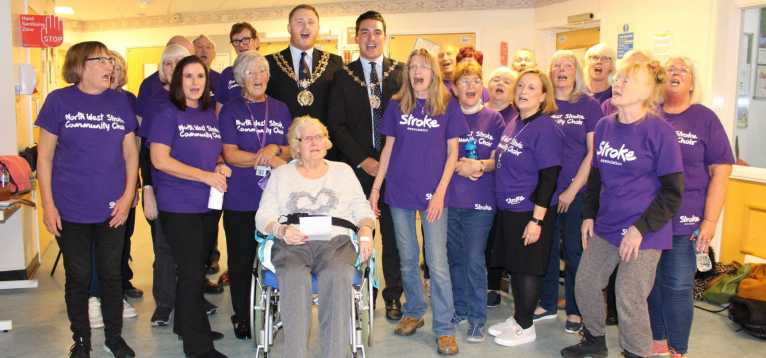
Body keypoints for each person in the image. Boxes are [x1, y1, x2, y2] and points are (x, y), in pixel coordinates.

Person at [561, 56, 684, 358]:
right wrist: (589, 215)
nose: (618, 83)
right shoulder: (604, 126)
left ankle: (636, 353)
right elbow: (597, 176)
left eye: (628, 80)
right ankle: (594, 339)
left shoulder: (660, 132)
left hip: (646, 229)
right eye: (619, 78)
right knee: (586, 282)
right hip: (608, 224)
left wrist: (639, 230)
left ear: (646, 92)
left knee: (628, 295)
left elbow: (672, 192)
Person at [36, 41, 138, 358]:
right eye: (101, 60)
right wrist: (48, 205)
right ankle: (81, 340)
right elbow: (45, 158)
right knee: (78, 277)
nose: (109, 65)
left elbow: (131, 153)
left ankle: (113, 337)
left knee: (111, 275)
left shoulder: (120, 102)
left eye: (110, 59)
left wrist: (127, 195)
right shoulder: (59, 101)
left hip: (112, 208)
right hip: (70, 208)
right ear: (81, 65)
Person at [369, 48, 468, 355]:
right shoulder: (398, 105)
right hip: (399, 191)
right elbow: (387, 150)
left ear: (434, 71)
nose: (417, 72)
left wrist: (440, 193)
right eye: (412, 67)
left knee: (437, 264)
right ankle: (414, 311)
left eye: (423, 66)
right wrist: (375, 190)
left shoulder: (447, 105)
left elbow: (453, 154)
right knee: (407, 257)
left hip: (434, 195)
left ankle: (445, 329)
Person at [255, 116, 375, 358]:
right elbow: (263, 216)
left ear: (327, 141)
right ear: (296, 145)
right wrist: (281, 230)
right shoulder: (281, 175)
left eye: (319, 136)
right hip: (293, 242)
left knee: (337, 273)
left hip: (336, 241)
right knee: (294, 275)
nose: (314, 142)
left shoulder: (343, 171)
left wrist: (365, 231)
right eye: (307, 138)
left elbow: (362, 210)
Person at [647, 56, 734, 358]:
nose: (676, 73)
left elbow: (721, 172)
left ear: (692, 83)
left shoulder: (704, 118)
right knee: (650, 282)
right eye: (670, 69)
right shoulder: (649, 114)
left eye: (683, 70)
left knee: (678, 284)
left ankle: (677, 349)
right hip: (648, 218)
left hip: (686, 218)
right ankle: (656, 340)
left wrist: (710, 221)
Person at [149, 55, 230, 358]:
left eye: (200, 77)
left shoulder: (210, 114)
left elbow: (213, 154)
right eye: (188, 77)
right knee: (193, 272)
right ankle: (198, 348)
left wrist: (220, 167)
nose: (195, 83)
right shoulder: (167, 114)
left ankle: (186, 324)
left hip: (207, 204)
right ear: (177, 81)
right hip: (179, 205)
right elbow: (159, 159)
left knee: (195, 270)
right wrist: (205, 175)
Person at [327, 10, 405, 321]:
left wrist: (384, 161)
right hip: (356, 170)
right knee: (359, 233)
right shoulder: (342, 76)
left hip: (395, 168)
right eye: (364, 32)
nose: (371, 38)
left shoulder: (400, 73)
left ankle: (394, 294)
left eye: (376, 32)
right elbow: (336, 124)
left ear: (385, 36)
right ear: (356, 37)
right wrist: (364, 160)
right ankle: (362, 294)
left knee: (396, 236)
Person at [219, 50, 293, 339]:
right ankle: (243, 315)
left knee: (276, 258)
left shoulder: (280, 108)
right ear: (240, 79)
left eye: (262, 72)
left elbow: (290, 148)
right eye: (250, 73)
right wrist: (265, 159)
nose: (258, 77)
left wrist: (275, 150)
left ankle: (274, 310)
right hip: (240, 198)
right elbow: (230, 154)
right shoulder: (230, 110)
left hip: (275, 201)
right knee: (241, 261)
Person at [488, 69, 563, 347]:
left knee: (528, 269)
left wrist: (537, 220)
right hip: (510, 209)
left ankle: (526, 325)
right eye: (521, 86)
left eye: (532, 88)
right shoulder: (516, 121)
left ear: (543, 96)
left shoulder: (545, 127)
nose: (523, 91)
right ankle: (519, 315)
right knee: (517, 268)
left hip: (530, 211)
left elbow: (549, 177)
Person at [535, 50, 603, 334]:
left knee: (575, 253)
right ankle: (548, 303)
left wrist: (572, 190)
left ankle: (575, 310)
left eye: (568, 66)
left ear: (576, 71)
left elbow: (593, 152)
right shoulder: (543, 103)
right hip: (544, 192)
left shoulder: (588, 105)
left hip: (576, 194)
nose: (561, 70)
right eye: (556, 66)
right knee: (546, 250)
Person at [446, 59, 505, 343]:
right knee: (454, 260)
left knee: (473, 259)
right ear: (454, 88)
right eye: (464, 82)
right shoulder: (446, 114)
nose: (470, 86)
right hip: (449, 200)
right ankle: (459, 309)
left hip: (481, 203)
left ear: (482, 87)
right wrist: (456, 165)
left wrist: (479, 165)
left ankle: (477, 318)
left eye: (475, 81)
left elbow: (499, 159)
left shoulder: (494, 119)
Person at [87, 50, 141, 331]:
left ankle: (115, 294)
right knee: (97, 246)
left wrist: (134, 189)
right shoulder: (85, 101)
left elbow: (134, 148)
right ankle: (94, 297)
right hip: (95, 186)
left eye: (117, 67)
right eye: (108, 65)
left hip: (125, 184)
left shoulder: (127, 101)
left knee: (120, 244)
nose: (113, 71)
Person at [266, 4, 343, 125]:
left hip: (323, 140)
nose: (306, 27)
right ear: (289, 28)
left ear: (318, 28)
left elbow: (340, 108)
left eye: (311, 22)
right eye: (299, 22)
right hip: (283, 141)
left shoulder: (334, 62)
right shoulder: (269, 63)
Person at [483, 65, 517, 308]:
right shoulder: (477, 112)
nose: (500, 84)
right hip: (477, 187)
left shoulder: (517, 117)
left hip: (504, 189)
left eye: (506, 81)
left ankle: (493, 285)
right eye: (496, 79)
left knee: (497, 240)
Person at [136, 35, 194, 119]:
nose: (174, 67)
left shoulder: (197, 87)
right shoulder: (149, 84)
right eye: (169, 63)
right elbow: (140, 118)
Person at [215, 22, 260, 110]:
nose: (241, 45)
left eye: (246, 39)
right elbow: (219, 110)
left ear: (256, 41)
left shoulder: (269, 69)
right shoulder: (227, 74)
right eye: (236, 41)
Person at [193, 34, 221, 106]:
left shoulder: (220, 79)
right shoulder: (185, 78)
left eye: (208, 47)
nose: (204, 50)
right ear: (191, 52)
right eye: (199, 47)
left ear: (214, 54)